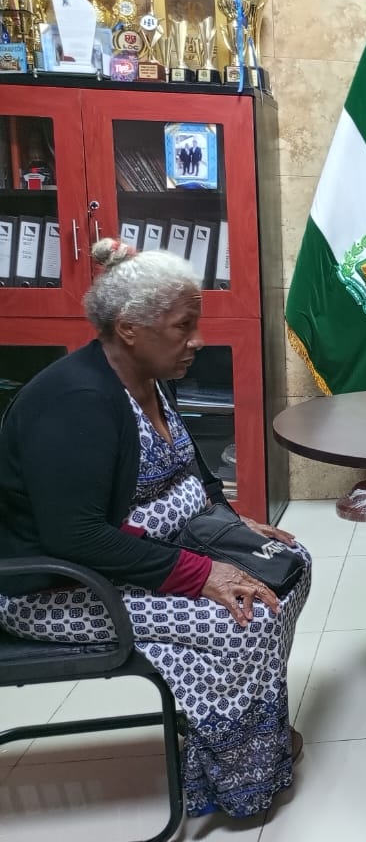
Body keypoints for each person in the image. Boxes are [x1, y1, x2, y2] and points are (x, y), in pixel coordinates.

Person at [0, 239, 311, 819]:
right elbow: (76, 538)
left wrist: (231, 520)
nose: (197, 340)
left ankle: (249, 733)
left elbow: (190, 465)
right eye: (183, 326)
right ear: (129, 329)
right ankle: (234, 768)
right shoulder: (76, 402)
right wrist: (201, 574)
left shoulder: (145, 374)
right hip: (59, 586)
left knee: (289, 567)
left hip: (145, 554)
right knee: (245, 617)